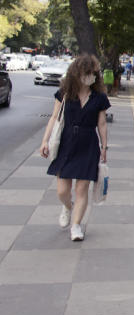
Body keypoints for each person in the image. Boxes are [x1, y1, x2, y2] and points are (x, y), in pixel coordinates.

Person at [39, 54, 110, 242]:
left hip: (88, 142)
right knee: (62, 190)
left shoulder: (99, 97)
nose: (91, 77)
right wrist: (45, 140)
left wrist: (104, 146)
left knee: (82, 188)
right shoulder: (65, 93)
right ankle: (68, 206)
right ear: (77, 73)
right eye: (88, 73)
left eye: (94, 73)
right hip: (66, 141)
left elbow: (102, 124)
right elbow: (54, 117)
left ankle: (76, 225)